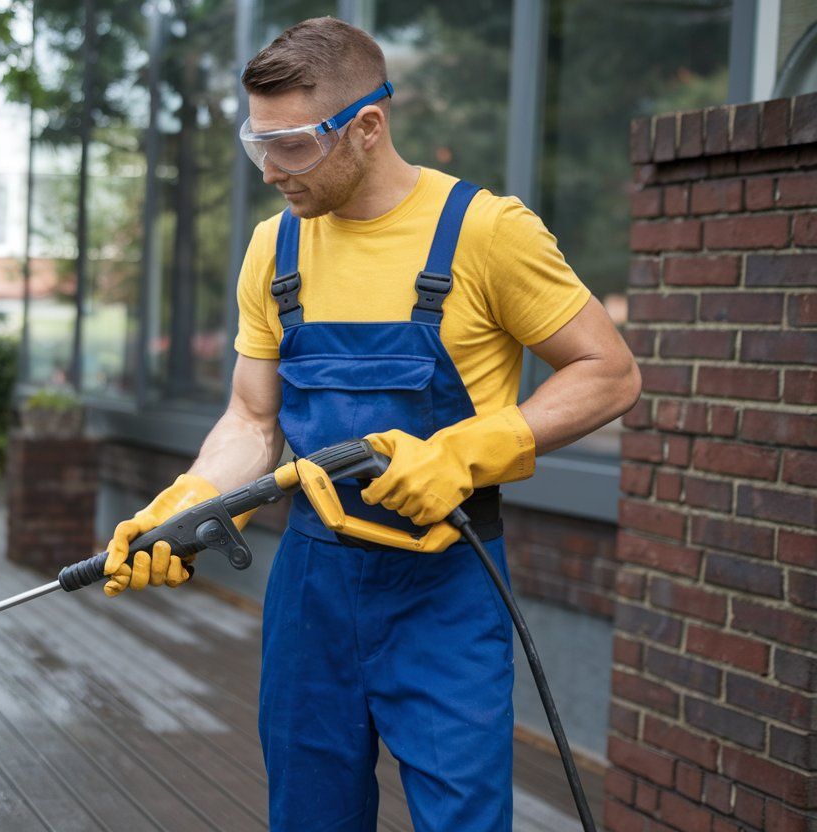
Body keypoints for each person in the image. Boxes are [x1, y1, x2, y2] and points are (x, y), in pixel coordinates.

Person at [102, 16, 640, 832]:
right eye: (259, 144)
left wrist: (466, 452)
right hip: (312, 581)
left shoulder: (486, 232)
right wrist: (194, 502)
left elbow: (610, 372)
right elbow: (253, 415)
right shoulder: (272, 249)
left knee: (463, 817)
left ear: (367, 126)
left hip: (446, 584)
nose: (272, 170)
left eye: (292, 147)